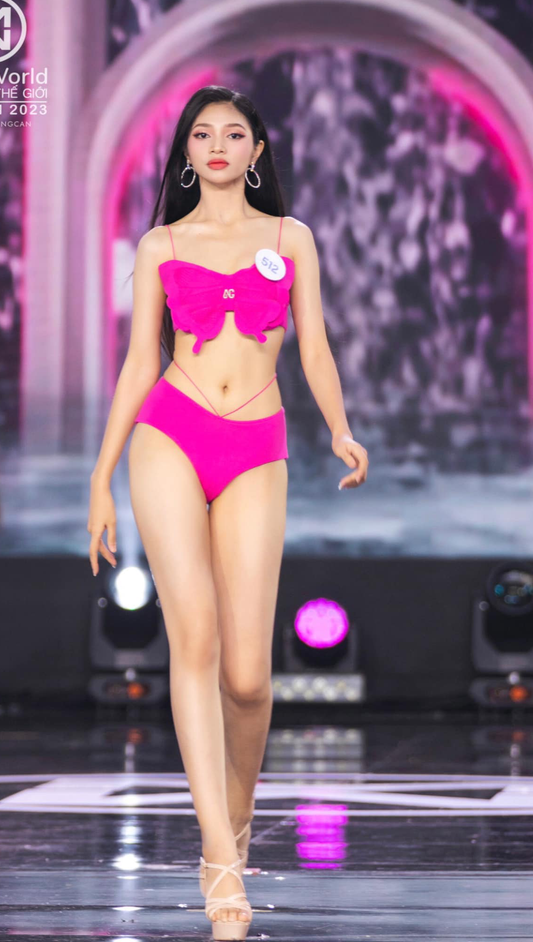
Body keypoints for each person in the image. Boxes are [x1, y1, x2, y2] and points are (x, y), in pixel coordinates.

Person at [88, 85, 368, 940]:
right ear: (186, 154)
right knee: (196, 640)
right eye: (202, 133)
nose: (217, 144)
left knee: (247, 676)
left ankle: (233, 833)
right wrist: (100, 476)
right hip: (169, 433)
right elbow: (139, 366)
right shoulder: (162, 243)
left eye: (233, 133)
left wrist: (341, 428)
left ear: (256, 152)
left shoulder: (291, 238)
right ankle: (219, 863)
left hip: (257, 443)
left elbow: (315, 349)